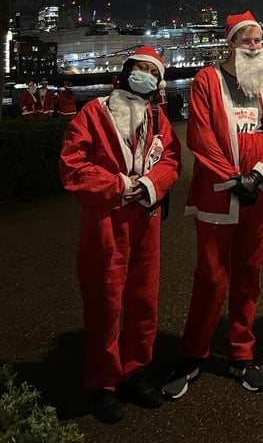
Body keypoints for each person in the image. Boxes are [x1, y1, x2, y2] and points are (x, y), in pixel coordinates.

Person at [163, 11, 263, 399]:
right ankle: (193, 352)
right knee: (211, 276)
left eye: (258, 40)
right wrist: (234, 178)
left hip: (259, 196)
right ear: (231, 43)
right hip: (220, 193)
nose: (254, 46)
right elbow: (200, 135)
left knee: (250, 274)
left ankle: (242, 352)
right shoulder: (206, 80)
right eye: (247, 40)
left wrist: (260, 175)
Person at [59, 45, 182, 424]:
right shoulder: (92, 112)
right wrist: (117, 185)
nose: (145, 75)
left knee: (144, 300)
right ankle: (102, 383)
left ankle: (135, 371)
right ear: (125, 72)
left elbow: (172, 160)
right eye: (139, 68)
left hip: (145, 219)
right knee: (104, 301)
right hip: (105, 220)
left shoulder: (157, 117)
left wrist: (148, 185)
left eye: (152, 71)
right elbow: (72, 167)